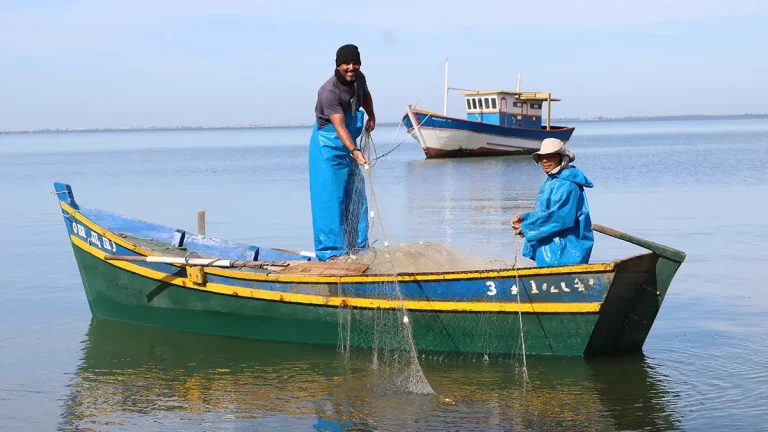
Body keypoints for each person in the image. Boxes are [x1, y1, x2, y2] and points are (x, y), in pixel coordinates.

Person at [308, 44, 376, 262]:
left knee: (356, 197)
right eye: (346, 64)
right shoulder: (329, 91)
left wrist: (372, 115)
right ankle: (331, 254)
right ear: (337, 65)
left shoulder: (360, 78)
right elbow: (339, 126)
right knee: (331, 199)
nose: (351, 68)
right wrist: (355, 151)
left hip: (349, 146)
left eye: (355, 63)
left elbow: (365, 95)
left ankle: (358, 249)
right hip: (328, 147)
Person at [510, 138, 594, 267]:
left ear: (562, 158)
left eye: (550, 156)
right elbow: (545, 212)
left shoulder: (568, 185)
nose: (544, 160)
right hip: (550, 250)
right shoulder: (551, 182)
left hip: (564, 252)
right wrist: (525, 218)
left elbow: (560, 218)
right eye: (542, 157)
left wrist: (528, 227)